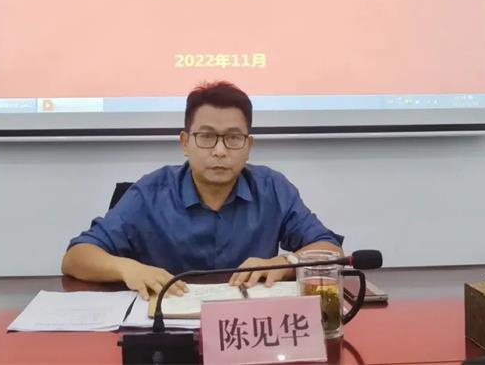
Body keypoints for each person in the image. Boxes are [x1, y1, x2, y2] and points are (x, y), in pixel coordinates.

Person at [62, 81, 343, 299]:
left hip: (247, 328)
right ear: (185, 143)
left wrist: (285, 262)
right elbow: (76, 257)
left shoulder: (272, 188)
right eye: (207, 137)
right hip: (168, 331)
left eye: (233, 138)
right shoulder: (151, 192)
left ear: (248, 146)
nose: (220, 151)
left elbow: (329, 248)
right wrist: (128, 268)